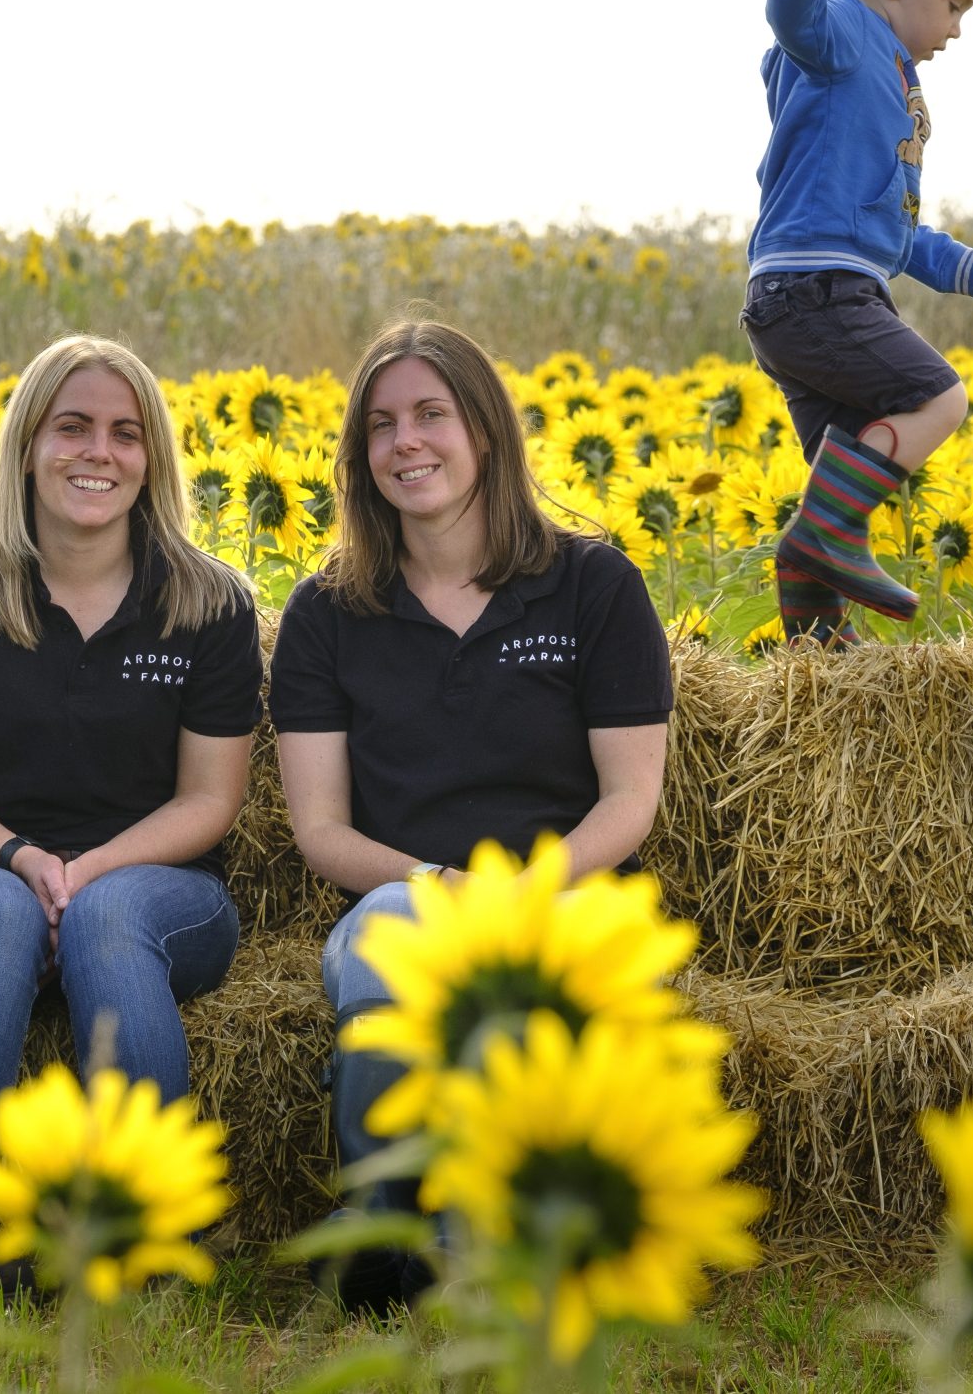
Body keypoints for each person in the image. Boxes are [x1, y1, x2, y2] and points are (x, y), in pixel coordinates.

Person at [268, 319, 673, 1310]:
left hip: (565, 895)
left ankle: (438, 1237)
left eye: (430, 414)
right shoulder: (327, 609)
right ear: (360, 456)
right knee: (390, 953)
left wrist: (523, 892)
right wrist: (439, 887)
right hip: (403, 892)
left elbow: (630, 796)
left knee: (506, 976)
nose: (405, 441)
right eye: (380, 425)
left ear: (484, 432)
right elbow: (320, 828)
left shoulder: (594, 584)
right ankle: (390, 1213)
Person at [0, 335, 262, 1292]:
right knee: (3, 913)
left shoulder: (209, 602)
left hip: (165, 891)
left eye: (127, 433)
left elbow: (210, 798)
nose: (101, 452)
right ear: (26, 444)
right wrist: (20, 858)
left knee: (109, 913)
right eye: (73, 426)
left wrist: (82, 873)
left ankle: (146, 1226)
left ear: (153, 459)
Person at [745, 0, 973, 645]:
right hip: (820, 290)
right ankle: (820, 542)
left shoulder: (889, 81)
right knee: (938, 399)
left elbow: (894, 223)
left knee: (837, 478)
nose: (957, 28)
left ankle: (820, 651)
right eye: (955, 4)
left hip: (813, 295)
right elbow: (793, 15)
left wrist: (969, 265)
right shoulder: (845, 31)